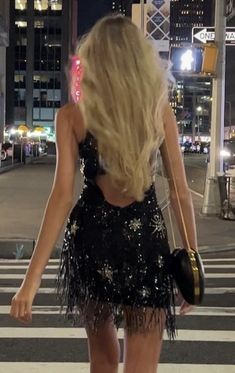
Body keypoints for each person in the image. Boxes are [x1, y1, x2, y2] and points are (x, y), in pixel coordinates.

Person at [10, 15, 197, 373]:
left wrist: (29, 284)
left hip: (92, 241)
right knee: (141, 365)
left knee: (102, 359)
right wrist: (191, 263)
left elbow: (62, 197)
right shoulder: (158, 112)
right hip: (144, 240)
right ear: (139, 63)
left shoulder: (71, 117)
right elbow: (179, 193)